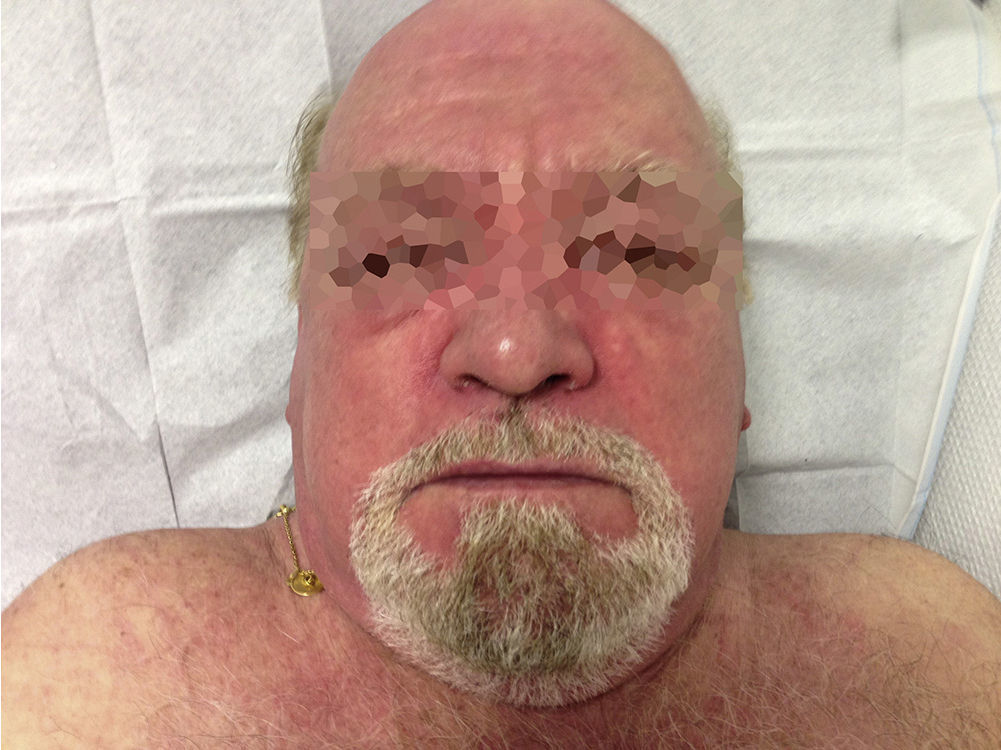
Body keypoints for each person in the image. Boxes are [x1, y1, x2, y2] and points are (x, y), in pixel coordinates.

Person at [3, 0, 1000, 746]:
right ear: (298, 374)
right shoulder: (90, 690)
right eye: (399, 256)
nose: (517, 353)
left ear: (737, 370)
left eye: (634, 251)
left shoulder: (933, 666)